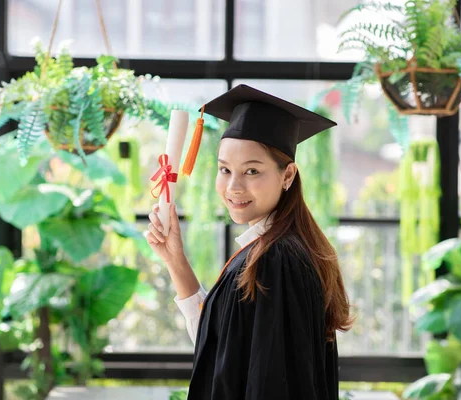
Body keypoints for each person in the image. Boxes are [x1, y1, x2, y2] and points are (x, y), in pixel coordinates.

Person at [143, 84, 354, 399]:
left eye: (252, 171)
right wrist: (176, 260)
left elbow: (267, 382)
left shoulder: (276, 261)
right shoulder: (277, 249)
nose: (233, 187)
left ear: (287, 175)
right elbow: (224, 347)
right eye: (225, 169)